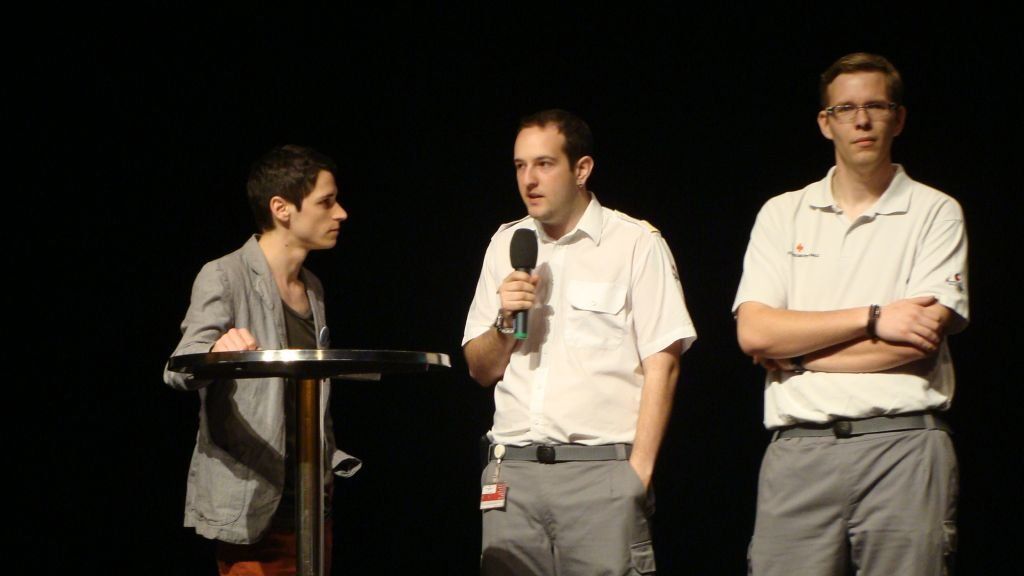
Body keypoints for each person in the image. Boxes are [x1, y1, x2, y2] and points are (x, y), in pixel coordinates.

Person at [734, 53, 969, 576]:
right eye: (846, 109)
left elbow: (918, 344)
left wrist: (797, 359)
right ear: (826, 122)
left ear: (898, 118)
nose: (861, 121)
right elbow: (755, 333)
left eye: (875, 107)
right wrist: (873, 318)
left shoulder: (936, 211)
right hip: (800, 450)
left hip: (903, 445)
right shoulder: (782, 213)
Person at [463, 109, 697, 575]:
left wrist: (636, 475)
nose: (529, 180)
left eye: (544, 164)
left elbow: (664, 362)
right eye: (520, 166)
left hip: (600, 474)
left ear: (582, 169)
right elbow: (480, 368)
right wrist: (506, 320)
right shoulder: (506, 244)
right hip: (513, 473)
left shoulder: (634, 243)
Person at [163, 145, 360, 575]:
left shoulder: (313, 288)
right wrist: (215, 354)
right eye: (326, 202)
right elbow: (178, 369)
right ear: (281, 208)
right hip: (254, 509)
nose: (341, 213)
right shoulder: (224, 275)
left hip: (311, 505)